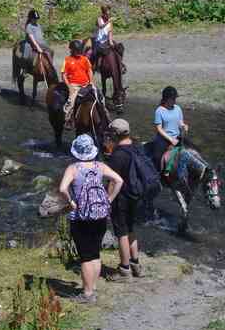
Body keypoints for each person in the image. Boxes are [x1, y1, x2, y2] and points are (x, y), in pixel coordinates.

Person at [58, 134, 123, 304]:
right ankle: (92, 287)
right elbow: (119, 180)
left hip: (81, 217)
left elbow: (62, 188)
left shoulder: (73, 168)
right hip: (100, 215)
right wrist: (109, 200)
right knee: (95, 253)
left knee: (85, 256)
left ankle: (87, 294)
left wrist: (71, 202)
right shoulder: (100, 166)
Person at [104, 118, 143, 280]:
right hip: (136, 195)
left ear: (115, 134)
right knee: (131, 229)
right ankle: (136, 265)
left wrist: (106, 201)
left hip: (122, 199)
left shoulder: (118, 155)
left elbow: (113, 181)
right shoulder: (137, 148)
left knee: (121, 233)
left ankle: (124, 270)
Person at [61, 39, 95, 128]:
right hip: (74, 84)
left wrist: (91, 82)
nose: (78, 52)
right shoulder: (67, 60)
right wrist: (69, 86)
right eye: (76, 50)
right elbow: (63, 75)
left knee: (99, 96)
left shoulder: (85, 59)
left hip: (86, 83)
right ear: (71, 50)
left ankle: (105, 115)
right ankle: (67, 119)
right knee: (71, 100)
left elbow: (89, 70)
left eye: (79, 50)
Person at [151, 86, 186, 172]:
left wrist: (183, 126)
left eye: (175, 98)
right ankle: (157, 175)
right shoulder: (159, 111)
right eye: (173, 98)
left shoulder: (177, 108)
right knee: (157, 157)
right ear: (166, 99)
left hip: (177, 138)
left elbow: (180, 122)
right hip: (163, 140)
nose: (175, 100)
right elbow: (159, 129)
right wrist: (170, 139)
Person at [92, 5, 126, 74]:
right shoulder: (99, 19)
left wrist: (110, 41)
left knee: (119, 47)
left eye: (109, 14)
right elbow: (101, 26)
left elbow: (110, 31)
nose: (108, 15)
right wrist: (108, 21)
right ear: (103, 14)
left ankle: (120, 64)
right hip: (99, 40)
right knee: (98, 51)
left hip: (107, 40)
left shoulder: (110, 21)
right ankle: (96, 66)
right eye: (107, 14)